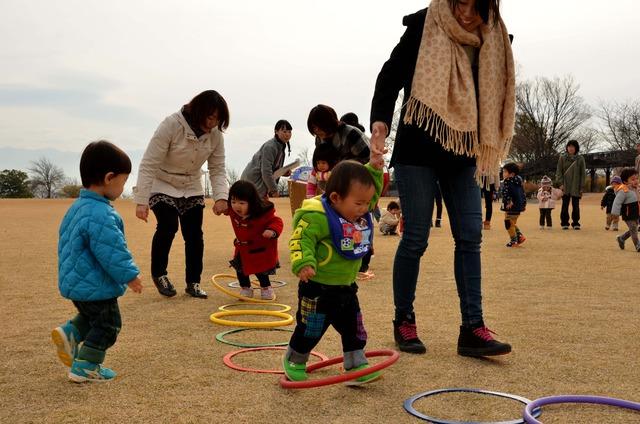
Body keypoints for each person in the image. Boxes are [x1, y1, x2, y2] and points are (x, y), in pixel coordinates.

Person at [370, 0, 514, 356]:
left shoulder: (493, 35)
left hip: (463, 150)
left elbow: (496, 90)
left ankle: (472, 328)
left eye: (473, 2)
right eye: (460, 1)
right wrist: (379, 125)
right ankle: (404, 320)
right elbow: (390, 77)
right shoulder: (425, 23)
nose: (466, 10)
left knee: (470, 235)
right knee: (416, 235)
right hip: (419, 144)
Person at [283, 155, 385, 385]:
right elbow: (301, 239)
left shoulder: (358, 212)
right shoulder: (317, 215)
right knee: (310, 329)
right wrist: (303, 262)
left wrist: (376, 169)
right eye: (358, 204)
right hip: (317, 289)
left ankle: (355, 364)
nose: (364, 209)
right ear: (336, 198)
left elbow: (372, 191)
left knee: (354, 329)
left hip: (346, 288)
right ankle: (295, 359)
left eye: (366, 204)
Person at [52, 141, 143, 383]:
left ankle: (70, 332)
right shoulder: (101, 213)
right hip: (95, 285)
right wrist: (130, 275)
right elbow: (112, 250)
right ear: (109, 178)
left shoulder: (77, 207)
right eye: (123, 182)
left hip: (78, 284)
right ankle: (85, 367)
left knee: (93, 317)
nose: (123, 188)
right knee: (108, 325)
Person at [134, 90, 230, 299]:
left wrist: (221, 197)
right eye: (210, 117)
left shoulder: (215, 136)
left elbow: (218, 168)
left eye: (218, 119)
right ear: (198, 111)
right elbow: (149, 163)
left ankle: (193, 282)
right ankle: (159, 274)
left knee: (194, 234)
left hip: (191, 184)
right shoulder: (171, 124)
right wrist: (141, 201)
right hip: (162, 182)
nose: (213, 123)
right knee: (168, 225)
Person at [227, 180, 284, 300]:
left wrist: (272, 231)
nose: (236, 206)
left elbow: (277, 221)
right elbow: (224, 207)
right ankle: (245, 288)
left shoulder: (263, 213)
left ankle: (266, 288)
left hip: (260, 250)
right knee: (240, 270)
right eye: (233, 202)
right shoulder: (233, 212)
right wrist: (219, 205)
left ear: (251, 202)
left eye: (242, 203)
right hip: (242, 249)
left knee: (260, 271)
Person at [241, 120, 293, 198]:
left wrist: (282, 172)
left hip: (258, 182)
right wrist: (274, 190)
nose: (287, 134)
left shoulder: (280, 146)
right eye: (284, 131)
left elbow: (272, 169)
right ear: (276, 131)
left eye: (289, 132)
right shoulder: (270, 147)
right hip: (252, 182)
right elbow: (266, 171)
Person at [555, 140, 586, 230]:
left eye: (573, 146)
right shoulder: (562, 157)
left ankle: (576, 223)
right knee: (565, 205)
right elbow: (558, 172)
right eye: (569, 146)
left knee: (576, 205)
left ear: (576, 148)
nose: (571, 148)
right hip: (565, 185)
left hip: (576, 185)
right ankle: (564, 223)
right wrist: (560, 183)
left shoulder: (580, 159)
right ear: (567, 147)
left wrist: (581, 186)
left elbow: (583, 174)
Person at [611, 168, 640, 251]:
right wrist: (615, 213)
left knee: (634, 228)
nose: (636, 181)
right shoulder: (624, 191)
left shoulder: (637, 189)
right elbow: (617, 202)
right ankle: (637, 245)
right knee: (634, 228)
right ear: (625, 181)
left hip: (637, 212)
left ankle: (621, 238)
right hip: (628, 214)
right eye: (633, 179)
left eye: (637, 178)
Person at [501, 163, 527, 247]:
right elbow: (522, 194)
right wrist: (523, 204)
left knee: (508, 223)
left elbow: (506, 193)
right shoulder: (518, 182)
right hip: (518, 206)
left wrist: (508, 201)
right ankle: (519, 236)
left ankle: (514, 241)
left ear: (511, 174)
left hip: (511, 206)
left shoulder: (508, 182)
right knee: (512, 223)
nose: (503, 173)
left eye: (505, 172)